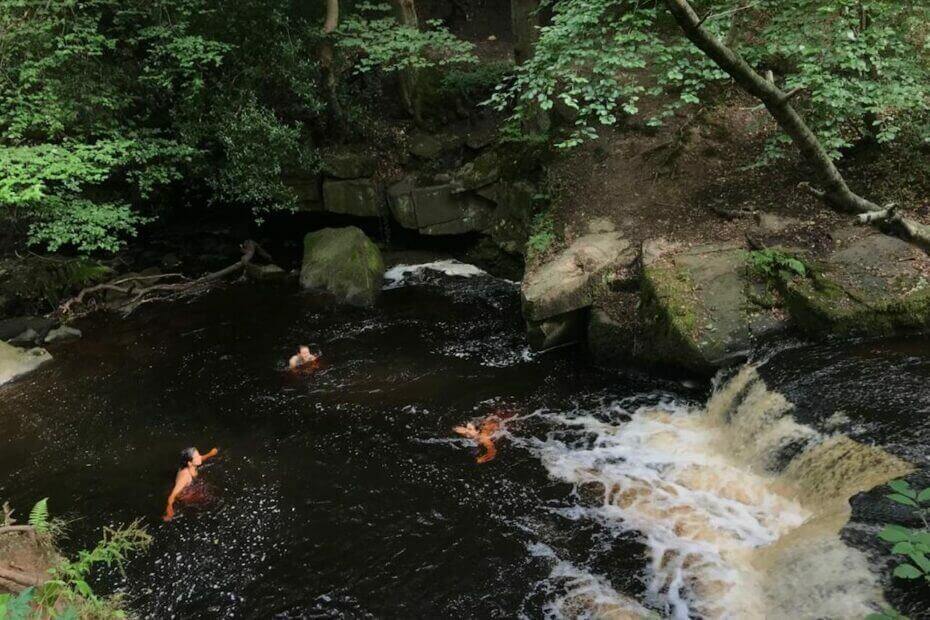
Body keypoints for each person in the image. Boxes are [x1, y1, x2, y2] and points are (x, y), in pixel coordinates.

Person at [163, 446, 219, 521]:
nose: (200, 456)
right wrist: (169, 507)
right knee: (207, 499)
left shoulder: (191, 464)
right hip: (183, 495)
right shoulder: (185, 476)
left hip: (189, 485)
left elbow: (201, 458)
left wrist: (210, 454)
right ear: (189, 463)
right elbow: (173, 495)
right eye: (197, 456)